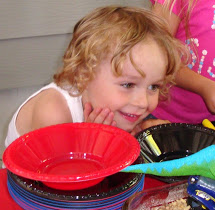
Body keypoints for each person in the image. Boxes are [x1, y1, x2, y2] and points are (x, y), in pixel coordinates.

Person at [4, 6, 186, 149]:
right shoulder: (53, 112)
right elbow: (62, 183)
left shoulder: (114, 108)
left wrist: (138, 134)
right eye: (128, 84)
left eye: (153, 87)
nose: (142, 102)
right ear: (84, 73)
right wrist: (93, 145)